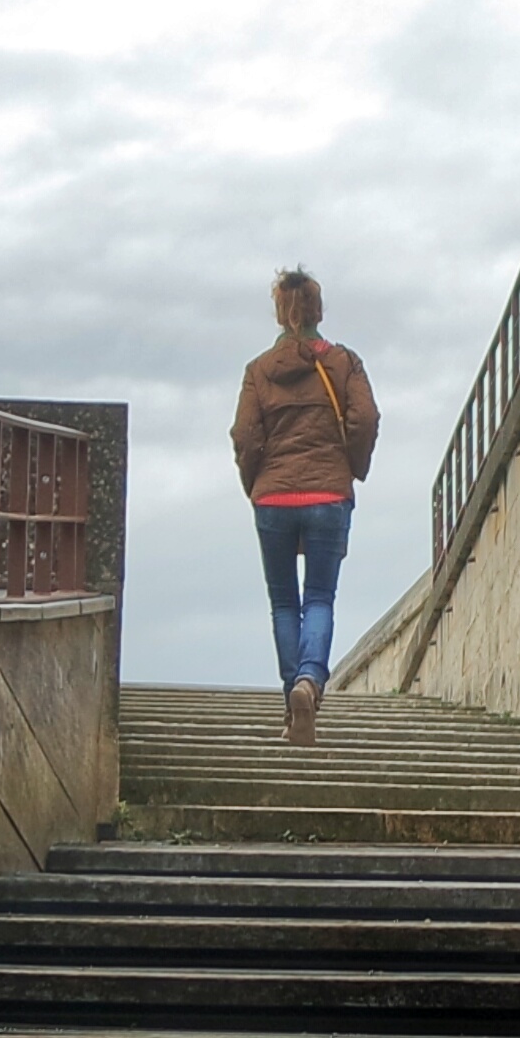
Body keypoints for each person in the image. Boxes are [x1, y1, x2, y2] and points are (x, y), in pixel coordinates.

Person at [230, 265, 378, 741]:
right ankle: (309, 683)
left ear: (279, 313)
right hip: (328, 494)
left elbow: (245, 435)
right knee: (319, 596)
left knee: (282, 602)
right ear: (318, 310)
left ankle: (292, 700)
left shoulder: (258, 371)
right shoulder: (344, 363)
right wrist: (349, 467)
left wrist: (257, 482)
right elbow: (366, 420)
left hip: (273, 497)